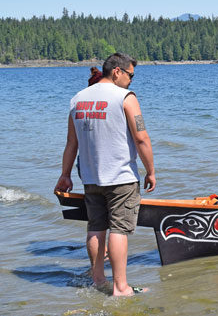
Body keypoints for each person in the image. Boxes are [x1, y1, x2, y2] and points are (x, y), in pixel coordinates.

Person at [54, 53, 155, 297]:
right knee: (119, 230)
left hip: (91, 177)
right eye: (130, 75)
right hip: (120, 177)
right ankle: (121, 287)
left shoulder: (77, 99)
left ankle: (98, 280)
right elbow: (141, 137)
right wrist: (151, 170)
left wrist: (65, 174)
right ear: (117, 71)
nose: (131, 81)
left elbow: (71, 143)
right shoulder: (125, 97)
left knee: (96, 228)